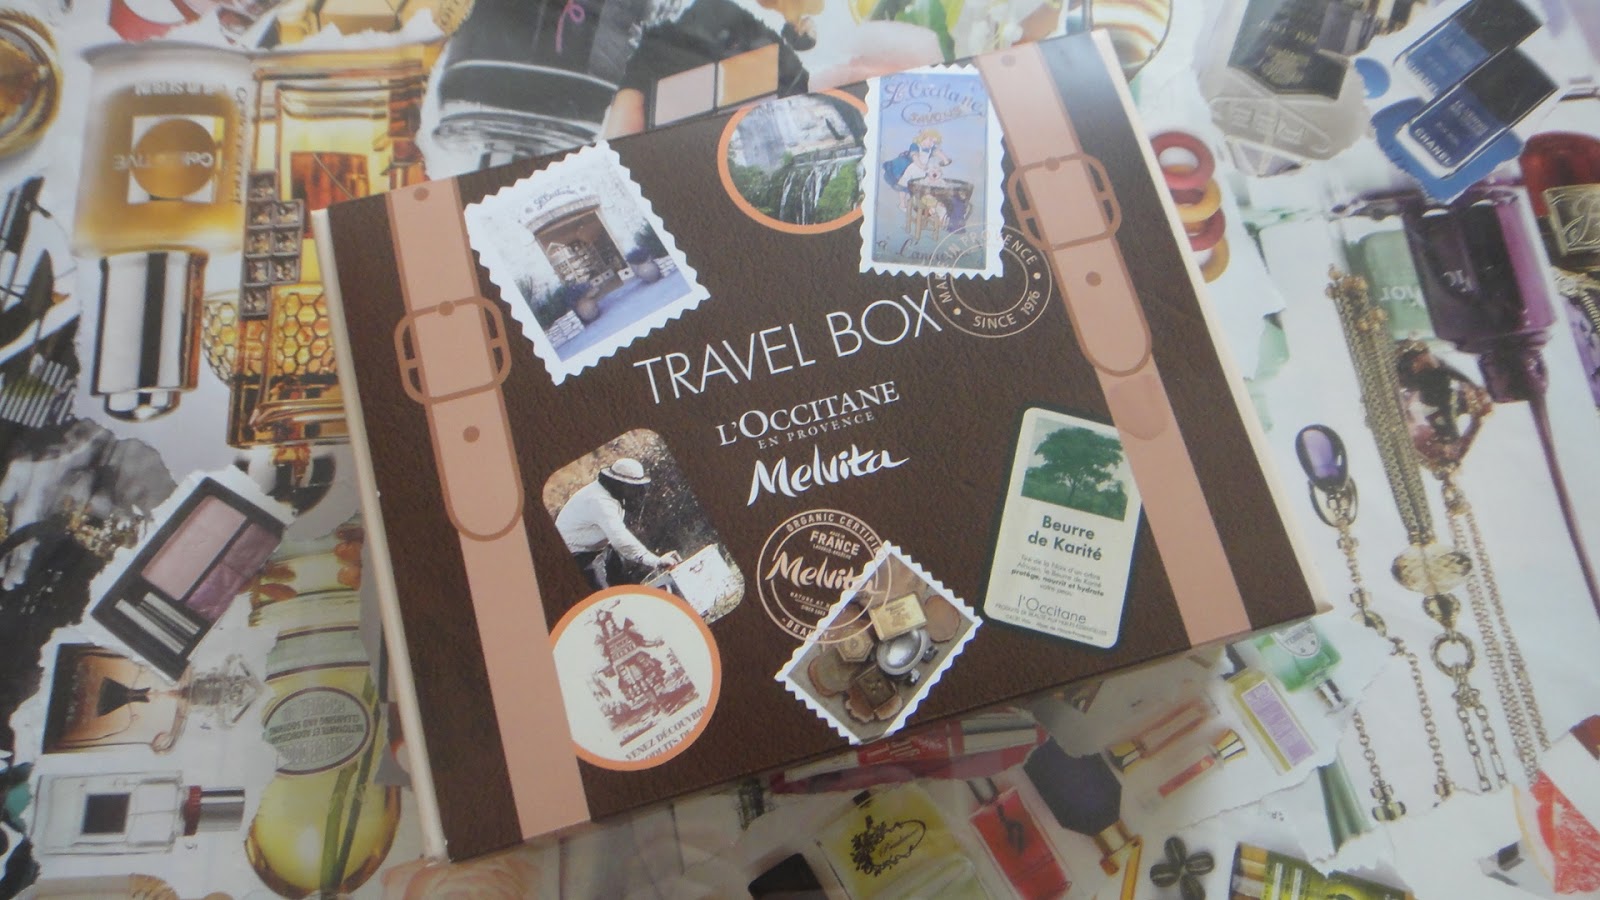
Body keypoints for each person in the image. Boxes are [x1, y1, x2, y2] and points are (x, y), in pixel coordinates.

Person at [555, 458, 680, 591]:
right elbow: (619, 538)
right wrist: (655, 561)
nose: (636, 493)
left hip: (597, 549)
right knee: (608, 598)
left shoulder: (611, 496)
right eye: (633, 488)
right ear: (621, 484)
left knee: (624, 585)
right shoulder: (600, 501)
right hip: (577, 557)